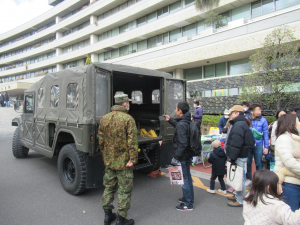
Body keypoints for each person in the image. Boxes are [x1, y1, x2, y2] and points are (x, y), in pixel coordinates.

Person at [98, 94, 138, 225]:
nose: (128, 104)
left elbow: (102, 141)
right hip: (124, 163)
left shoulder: (104, 118)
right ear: (124, 103)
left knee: (108, 187)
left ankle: (107, 216)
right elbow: (132, 142)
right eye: (128, 102)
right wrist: (133, 159)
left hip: (109, 162)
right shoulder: (128, 119)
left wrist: (106, 156)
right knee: (124, 190)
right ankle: (121, 220)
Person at [164, 101, 194, 211]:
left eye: (176, 109)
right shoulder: (186, 121)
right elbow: (179, 126)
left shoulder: (182, 124)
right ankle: (188, 198)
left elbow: (183, 143)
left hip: (182, 156)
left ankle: (188, 204)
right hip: (187, 155)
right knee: (188, 178)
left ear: (180, 111)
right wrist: (170, 120)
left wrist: (176, 157)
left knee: (184, 180)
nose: (175, 110)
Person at [225, 105, 254, 207]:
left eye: (231, 113)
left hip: (238, 156)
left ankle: (241, 199)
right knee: (239, 176)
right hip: (240, 155)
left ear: (237, 113)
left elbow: (236, 143)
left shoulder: (238, 125)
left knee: (239, 177)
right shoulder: (241, 123)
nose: (229, 115)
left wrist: (232, 157)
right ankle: (238, 196)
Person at [274, 114, 300, 212]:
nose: (299, 123)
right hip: (289, 184)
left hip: (295, 182)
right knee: (289, 216)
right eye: (298, 121)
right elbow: (290, 162)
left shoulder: (295, 138)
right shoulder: (284, 138)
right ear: (291, 123)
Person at [246, 103, 269, 187]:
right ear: (252, 111)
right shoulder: (246, 119)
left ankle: (259, 181)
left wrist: (266, 147)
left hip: (259, 145)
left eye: (260, 110)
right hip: (248, 144)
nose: (260, 112)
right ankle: (249, 179)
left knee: (259, 163)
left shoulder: (263, 120)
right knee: (248, 162)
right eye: (258, 110)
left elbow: (266, 134)